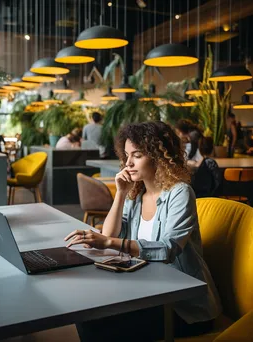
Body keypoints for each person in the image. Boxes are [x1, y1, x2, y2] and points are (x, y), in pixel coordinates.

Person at [65, 121, 221, 341]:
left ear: (158, 156)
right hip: (148, 291)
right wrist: (120, 194)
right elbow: (110, 235)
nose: (127, 163)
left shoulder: (180, 193)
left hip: (184, 308)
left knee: (95, 327)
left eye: (136, 155)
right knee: (86, 315)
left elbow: (168, 249)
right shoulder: (136, 194)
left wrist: (109, 243)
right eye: (127, 155)